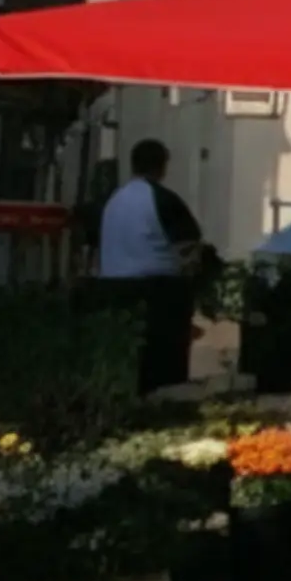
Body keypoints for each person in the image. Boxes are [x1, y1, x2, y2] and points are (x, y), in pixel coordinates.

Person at [96, 140, 204, 394]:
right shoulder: (162, 199)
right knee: (163, 372)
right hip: (158, 292)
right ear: (162, 166)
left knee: (125, 365)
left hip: (112, 289)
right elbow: (189, 245)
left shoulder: (114, 201)